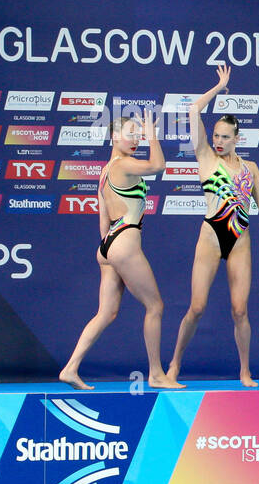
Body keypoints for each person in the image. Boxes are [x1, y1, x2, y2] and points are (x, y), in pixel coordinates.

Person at [167, 66, 259, 386]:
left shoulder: (250, 168)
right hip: (211, 238)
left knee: (240, 310)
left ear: (237, 139)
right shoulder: (205, 158)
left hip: (241, 240)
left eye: (226, 137)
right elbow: (192, 109)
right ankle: (173, 366)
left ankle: (244, 371)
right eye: (216, 136)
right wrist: (218, 86)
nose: (219, 141)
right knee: (196, 308)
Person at [59, 111, 183, 391]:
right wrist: (153, 135)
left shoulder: (105, 171)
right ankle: (156, 374)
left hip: (107, 245)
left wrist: (109, 251)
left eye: (138, 135)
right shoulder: (124, 164)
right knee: (155, 306)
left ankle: (70, 368)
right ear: (114, 137)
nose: (136, 139)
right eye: (131, 133)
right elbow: (159, 165)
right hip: (125, 242)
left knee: (106, 313)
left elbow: (103, 219)